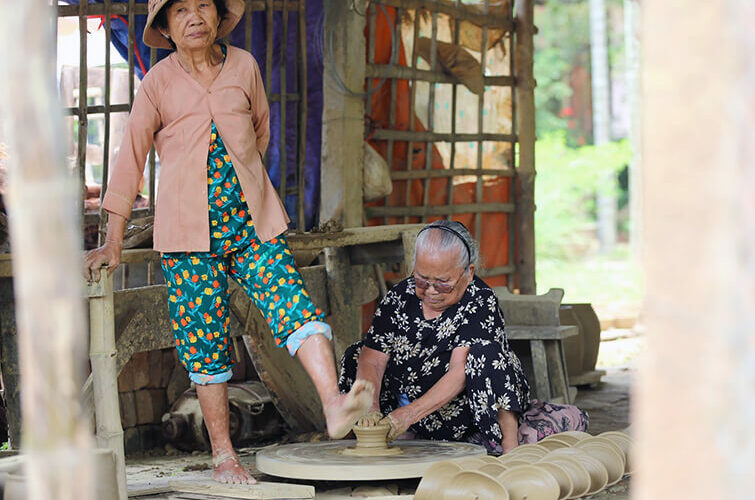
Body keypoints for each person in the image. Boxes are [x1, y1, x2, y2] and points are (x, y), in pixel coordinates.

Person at [82, 0, 373, 484]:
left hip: (251, 227)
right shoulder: (157, 83)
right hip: (186, 238)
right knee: (203, 341)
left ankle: (335, 404)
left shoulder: (244, 66)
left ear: (219, 18)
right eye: (180, 12)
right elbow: (130, 162)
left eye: (203, 6)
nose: (194, 17)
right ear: (165, 27)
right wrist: (112, 241)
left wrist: (246, 184)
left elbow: (260, 132)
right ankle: (224, 456)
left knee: (294, 308)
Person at [339, 220, 588, 454]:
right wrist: (370, 410)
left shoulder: (479, 301)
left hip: (465, 417)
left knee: (486, 354)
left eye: (443, 283)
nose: (431, 291)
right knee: (356, 354)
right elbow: (372, 359)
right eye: (422, 279)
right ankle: (366, 443)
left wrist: (408, 414)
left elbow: (459, 372)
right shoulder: (399, 297)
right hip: (408, 415)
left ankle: (508, 448)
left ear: (467, 273)